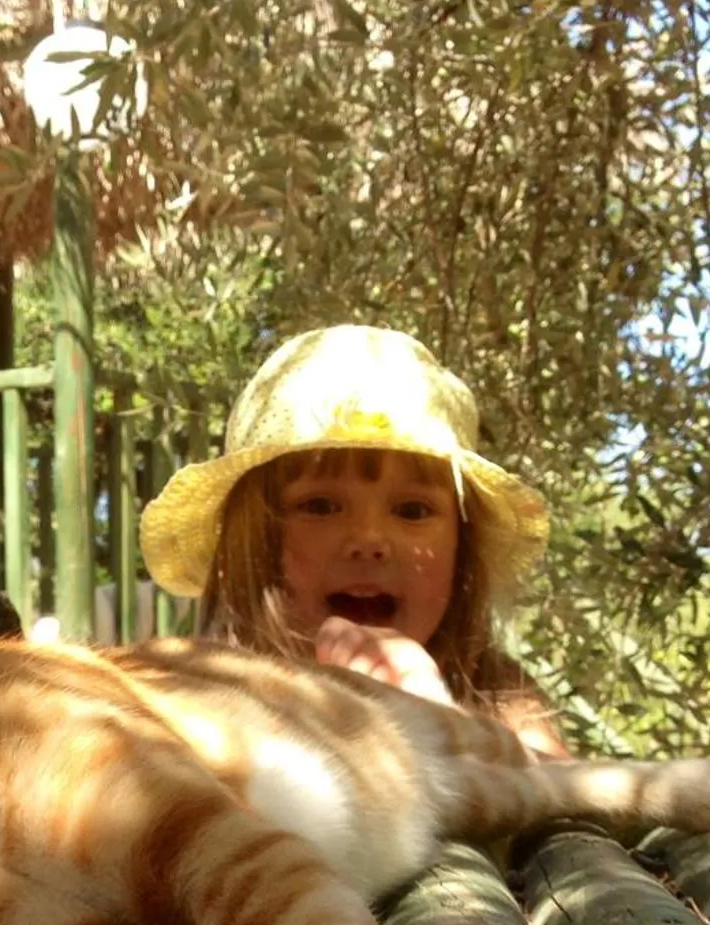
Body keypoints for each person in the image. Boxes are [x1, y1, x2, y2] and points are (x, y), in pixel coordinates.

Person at [139, 324, 568, 758]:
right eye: (321, 506)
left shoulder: (501, 697)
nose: (369, 540)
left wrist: (440, 721)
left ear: (463, 552)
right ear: (250, 546)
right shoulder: (203, 709)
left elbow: (567, 796)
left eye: (412, 511)